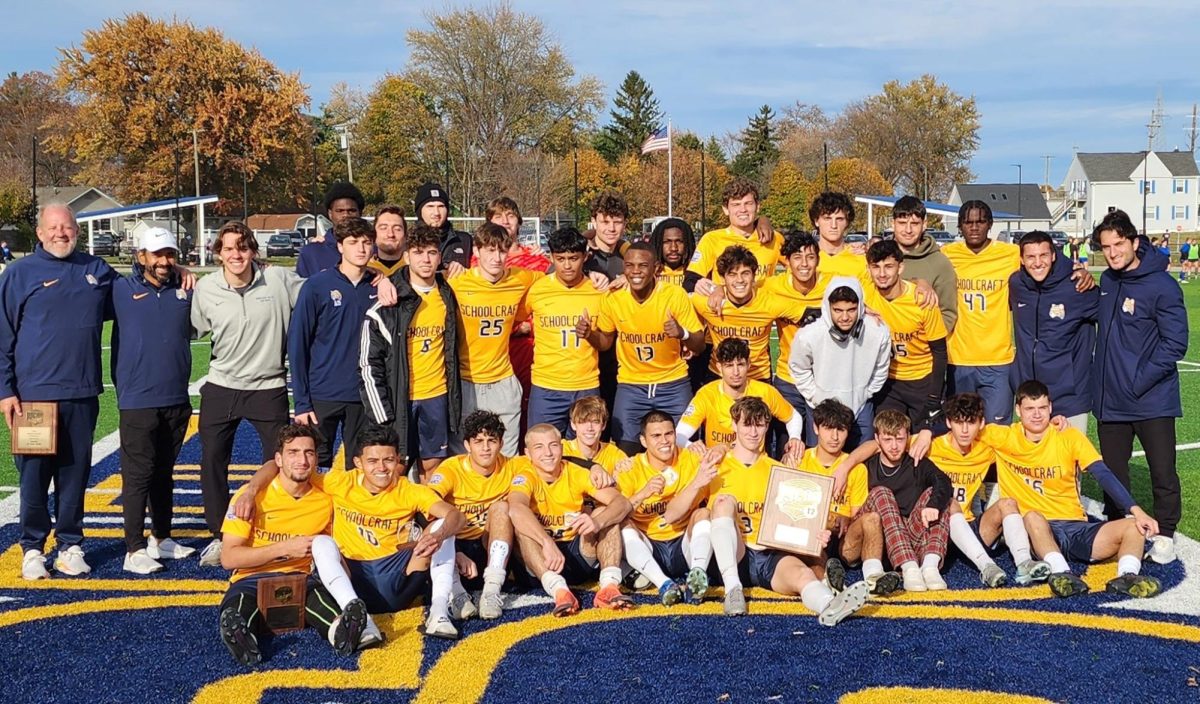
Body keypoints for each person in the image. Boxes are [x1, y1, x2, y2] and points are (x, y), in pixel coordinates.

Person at [663, 397, 870, 622]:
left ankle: (829, 607)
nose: (753, 432)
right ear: (734, 425)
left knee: (803, 574)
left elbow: (795, 523)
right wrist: (697, 483)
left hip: (766, 552)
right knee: (723, 503)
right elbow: (671, 515)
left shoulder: (779, 471)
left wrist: (814, 535)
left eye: (759, 425)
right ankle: (733, 589)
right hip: (731, 554)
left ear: (767, 427)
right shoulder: (715, 464)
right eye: (747, 424)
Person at [0, 203, 118, 579]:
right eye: (53, 228)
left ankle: (70, 544)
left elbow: (136, 292)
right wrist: (6, 390)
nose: (60, 234)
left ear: (77, 231)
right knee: (34, 475)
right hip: (33, 395)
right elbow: (2, 335)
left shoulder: (96, 270)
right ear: (39, 233)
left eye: (67, 227)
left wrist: (177, 270)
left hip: (81, 393)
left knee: (75, 471)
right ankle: (33, 548)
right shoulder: (19, 273)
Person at [977, 380, 1162, 598]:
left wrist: (1136, 511)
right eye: (1029, 409)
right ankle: (1061, 573)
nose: (1037, 415)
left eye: (1042, 408)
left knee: (1134, 526)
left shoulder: (1068, 435)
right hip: (1038, 528)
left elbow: (1102, 473)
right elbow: (959, 427)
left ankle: (1128, 576)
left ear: (1051, 408)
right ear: (1018, 410)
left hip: (1075, 524)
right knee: (1032, 516)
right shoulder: (1003, 436)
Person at [191, 222, 305, 567]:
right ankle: (219, 535)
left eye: (242, 248)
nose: (236, 255)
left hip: (268, 387)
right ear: (218, 254)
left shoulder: (279, 280)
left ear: (253, 250)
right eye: (228, 249)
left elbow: (321, 292)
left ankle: (274, 528)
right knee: (212, 461)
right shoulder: (206, 287)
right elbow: (192, 328)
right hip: (222, 385)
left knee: (277, 461)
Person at [216, 424, 369, 665]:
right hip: (251, 577)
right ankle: (241, 634)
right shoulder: (250, 496)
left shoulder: (326, 498)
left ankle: (341, 631)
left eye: (309, 452)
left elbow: (331, 547)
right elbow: (229, 558)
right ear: (278, 459)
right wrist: (284, 548)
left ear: (316, 458)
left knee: (318, 600)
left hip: (301, 578)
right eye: (293, 453)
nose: (302, 460)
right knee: (241, 604)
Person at [1091, 210, 1186, 564]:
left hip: (1152, 400)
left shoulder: (1162, 285)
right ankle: (1121, 526)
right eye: (1106, 247)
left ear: (1134, 242)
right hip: (1110, 401)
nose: (1113, 253)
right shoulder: (1109, 282)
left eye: (1118, 244)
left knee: (1162, 471)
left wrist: (1139, 380)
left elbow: (1176, 343)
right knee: (1113, 473)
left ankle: (1165, 534)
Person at [110, 227, 196, 574]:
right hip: (137, 399)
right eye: (157, 254)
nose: (164, 261)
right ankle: (133, 548)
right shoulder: (119, 289)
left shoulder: (185, 289)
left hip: (176, 396)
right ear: (140, 256)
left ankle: (161, 537)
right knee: (138, 475)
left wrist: (186, 274)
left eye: (170, 254)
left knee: (164, 472)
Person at [579, 242, 705, 453]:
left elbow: (699, 344)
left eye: (642, 265)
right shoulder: (613, 297)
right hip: (631, 385)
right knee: (626, 451)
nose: (635, 271)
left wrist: (681, 333)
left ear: (656, 268)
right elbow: (606, 342)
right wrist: (589, 334)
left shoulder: (674, 295)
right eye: (629, 265)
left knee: (681, 449)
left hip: (672, 383)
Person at [361, 224, 461, 481]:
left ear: (440, 256)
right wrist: (382, 413)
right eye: (418, 252)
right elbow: (369, 365)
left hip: (436, 397)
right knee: (396, 469)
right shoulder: (387, 302)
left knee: (433, 468)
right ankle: (397, 520)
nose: (425, 260)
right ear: (406, 256)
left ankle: (427, 520)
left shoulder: (448, 294)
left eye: (431, 252)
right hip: (400, 400)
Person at [507, 423, 635, 616]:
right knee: (521, 526)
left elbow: (622, 503)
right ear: (528, 453)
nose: (548, 453)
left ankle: (609, 586)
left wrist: (597, 522)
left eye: (553, 445)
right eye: (539, 447)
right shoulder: (524, 475)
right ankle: (559, 590)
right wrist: (546, 542)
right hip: (541, 561)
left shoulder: (575, 472)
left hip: (577, 555)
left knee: (605, 514)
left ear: (562, 447)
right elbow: (516, 509)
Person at [288, 218, 381, 467]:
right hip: (323, 393)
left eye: (366, 242)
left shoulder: (379, 286)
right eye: (353, 242)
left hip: (364, 395)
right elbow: (298, 346)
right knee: (316, 465)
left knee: (360, 466)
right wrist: (302, 402)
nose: (361, 248)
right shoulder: (317, 286)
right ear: (340, 246)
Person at [447, 222, 541, 457]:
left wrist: (596, 276)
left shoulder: (520, 278)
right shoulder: (457, 282)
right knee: (465, 455)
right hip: (466, 382)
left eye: (501, 250)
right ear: (476, 251)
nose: (496, 258)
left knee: (506, 455)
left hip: (503, 380)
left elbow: (554, 275)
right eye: (489, 250)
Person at [616, 410, 725, 605]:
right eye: (656, 436)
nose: (664, 441)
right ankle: (664, 584)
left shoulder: (692, 458)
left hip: (684, 542)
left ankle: (696, 577)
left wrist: (721, 447)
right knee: (623, 524)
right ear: (643, 441)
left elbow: (729, 453)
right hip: (649, 546)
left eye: (669, 434)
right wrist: (643, 493)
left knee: (703, 513)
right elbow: (619, 511)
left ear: (676, 434)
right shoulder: (630, 468)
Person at [427, 411, 518, 621]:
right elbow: (427, 504)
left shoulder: (514, 466)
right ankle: (456, 592)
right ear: (467, 445)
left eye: (491, 441)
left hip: (492, 548)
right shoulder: (451, 468)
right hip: (456, 549)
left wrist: (593, 467)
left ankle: (491, 591)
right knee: (439, 519)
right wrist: (456, 552)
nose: (485, 448)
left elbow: (554, 463)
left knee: (502, 508)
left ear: (501, 443)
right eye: (478, 441)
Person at [1010, 230, 1099, 434]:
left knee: (1068, 464)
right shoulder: (1016, 284)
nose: (1038, 262)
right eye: (1031, 257)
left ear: (1054, 256)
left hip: (1069, 396)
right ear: (1022, 260)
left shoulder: (1077, 286)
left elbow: (1112, 315)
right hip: (1030, 397)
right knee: (1035, 464)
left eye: (1043, 255)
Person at [864, 240, 948, 452]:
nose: (882, 273)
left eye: (889, 266)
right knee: (890, 443)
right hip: (888, 383)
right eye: (876, 267)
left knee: (923, 446)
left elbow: (939, 352)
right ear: (868, 269)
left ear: (900, 267)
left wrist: (933, 399)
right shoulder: (863, 293)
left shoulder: (921, 300)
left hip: (921, 380)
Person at [784, 400, 876, 594]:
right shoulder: (800, 462)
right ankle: (829, 584)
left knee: (872, 518)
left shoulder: (856, 468)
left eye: (841, 430)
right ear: (815, 428)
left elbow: (857, 514)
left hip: (844, 538)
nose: (834, 437)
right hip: (813, 537)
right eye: (828, 429)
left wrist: (846, 519)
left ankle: (874, 579)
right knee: (813, 538)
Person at [941, 200, 1020, 424]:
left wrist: (1076, 269)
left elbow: (1045, 258)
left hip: (998, 360)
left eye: (980, 221)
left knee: (996, 430)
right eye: (968, 222)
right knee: (961, 429)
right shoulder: (947, 254)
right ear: (960, 226)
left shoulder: (1011, 254)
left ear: (990, 225)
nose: (974, 227)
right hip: (958, 359)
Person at [789, 277, 891, 449]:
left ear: (860, 307)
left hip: (860, 408)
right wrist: (815, 396)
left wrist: (865, 393)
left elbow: (881, 369)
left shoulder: (878, 331)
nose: (845, 317)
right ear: (828, 308)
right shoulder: (809, 334)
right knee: (820, 467)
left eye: (851, 310)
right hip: (820, 408)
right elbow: (798, 368)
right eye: (838, 310)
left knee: (861, 462)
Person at [859, 409, 953, 592]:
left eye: (900, 439)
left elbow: (943, 481)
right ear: (877, 439)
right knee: (882, 493)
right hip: (878, 538)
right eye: (888, 440)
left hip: (909, 535)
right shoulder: (867, 465)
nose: (894, 446)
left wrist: (933, 504)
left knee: (940, 497)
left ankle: (930, 566)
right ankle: (909, 568)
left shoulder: (916, 463)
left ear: (908, 438)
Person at [524, 227, 607, 435]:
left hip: (586, 386)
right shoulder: (537, 289)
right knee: (542, 450)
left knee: (585, 453)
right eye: (560, 259)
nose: (567, 265)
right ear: (552, 257)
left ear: (585, 257)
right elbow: (513, 320)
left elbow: (606, 342)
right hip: (546, 386)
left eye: (574, 258)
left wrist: (589, 334)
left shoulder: (598, 291)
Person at [677, 337, 803, 457]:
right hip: (719, 466)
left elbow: (793, 416)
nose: (736, 372)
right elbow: (679, 434)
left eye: (740, 365)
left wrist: (795, 437)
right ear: (719, 368)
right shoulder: (706, 395)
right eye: (729, 365)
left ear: (748, 364)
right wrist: (691, 446)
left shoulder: (764, 392)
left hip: (754, 466)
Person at [690, 245, 794, 383]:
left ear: (754, 276)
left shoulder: (771, 302)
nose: (739, 280)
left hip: (758, 377)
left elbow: (807, 312)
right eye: (732, 274)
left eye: (745, 273)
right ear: (723, 278)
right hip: (718, 375)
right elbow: (674, 305)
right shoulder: (708, 302)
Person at [763, 232, 833, 437]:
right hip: (787, 379)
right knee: (787, 448)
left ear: (818, 260)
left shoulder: (833, 284)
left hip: (822, 379)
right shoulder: (772, 286)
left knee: (818, 446)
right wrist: (719, 291)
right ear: (787, 261)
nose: (804, 264)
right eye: (797, 257)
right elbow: (743, 289)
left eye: (810, 257)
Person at [687, 178, 784, 293]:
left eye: (748, 203)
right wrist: (712, 288)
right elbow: (689, 281)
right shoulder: (712, 239)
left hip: (763, 308)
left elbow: (801, 267)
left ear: (757, 206)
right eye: (736, 205)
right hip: (726, 309)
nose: (743, 209)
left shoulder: (773, 238)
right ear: (726, 209)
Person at [889, 195, 958, 333]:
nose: (908, 230)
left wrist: (921, 343)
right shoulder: (879, 258)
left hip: (922, 351)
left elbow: (948, 315)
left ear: (924, 224)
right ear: (893, 224)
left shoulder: (939, 263)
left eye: (914, 224)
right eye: (902, 223)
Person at [297, 181, 364, 277]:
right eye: (340, 211)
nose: (345, 215)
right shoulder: (311, 253)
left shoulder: (371, 251)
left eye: (351, 210)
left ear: (360, 213)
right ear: (330, 213)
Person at [414, 182, 472, 271]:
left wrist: (465, 272)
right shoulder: (408, 242)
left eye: (441, 206)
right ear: (419, 211)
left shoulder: (465, 240)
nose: (436, 212)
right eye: (430, 206)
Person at [809, 192, 867, 278]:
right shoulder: (805, 259)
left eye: (839, 219)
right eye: (827, 218)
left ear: (847, 222)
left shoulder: (860, 259)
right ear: (816, 221)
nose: (833, 225)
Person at [562, 396, 627, 473]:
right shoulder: (562, 450)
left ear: (603, 425)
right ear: (573, 425)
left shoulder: (614, 455)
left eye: (595, 422)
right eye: (583, 422)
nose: (589, 428)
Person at [582, 191, 631, 281]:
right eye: (605, 222)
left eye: (617, 222)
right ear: (594, 222)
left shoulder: (631, 258)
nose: (611, 228)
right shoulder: (579, 255)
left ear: (624, 224)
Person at [650, 217, 695, 288]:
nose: (673, 248)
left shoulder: (696, 276)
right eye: (667, 242)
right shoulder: (648, 276)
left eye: (679, 241)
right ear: (658, 244)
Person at [368, 204, 408, 277]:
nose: (390, 234)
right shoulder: (365, 270)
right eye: (383, 228)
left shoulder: (414, 268)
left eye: (397, 229)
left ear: (405, 235)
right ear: (373, 234)